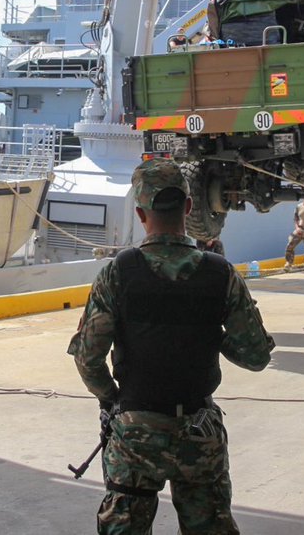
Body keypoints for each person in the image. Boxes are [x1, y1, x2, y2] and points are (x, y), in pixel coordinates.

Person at [68, 157, 275, 534]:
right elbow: (257, 356)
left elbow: (88, 359)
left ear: (140, 213)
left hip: (135, 433)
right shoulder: (220, 274)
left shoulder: (118, 272)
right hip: (199, 432)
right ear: (189, 207)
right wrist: (213, 332)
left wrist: (112, 400)